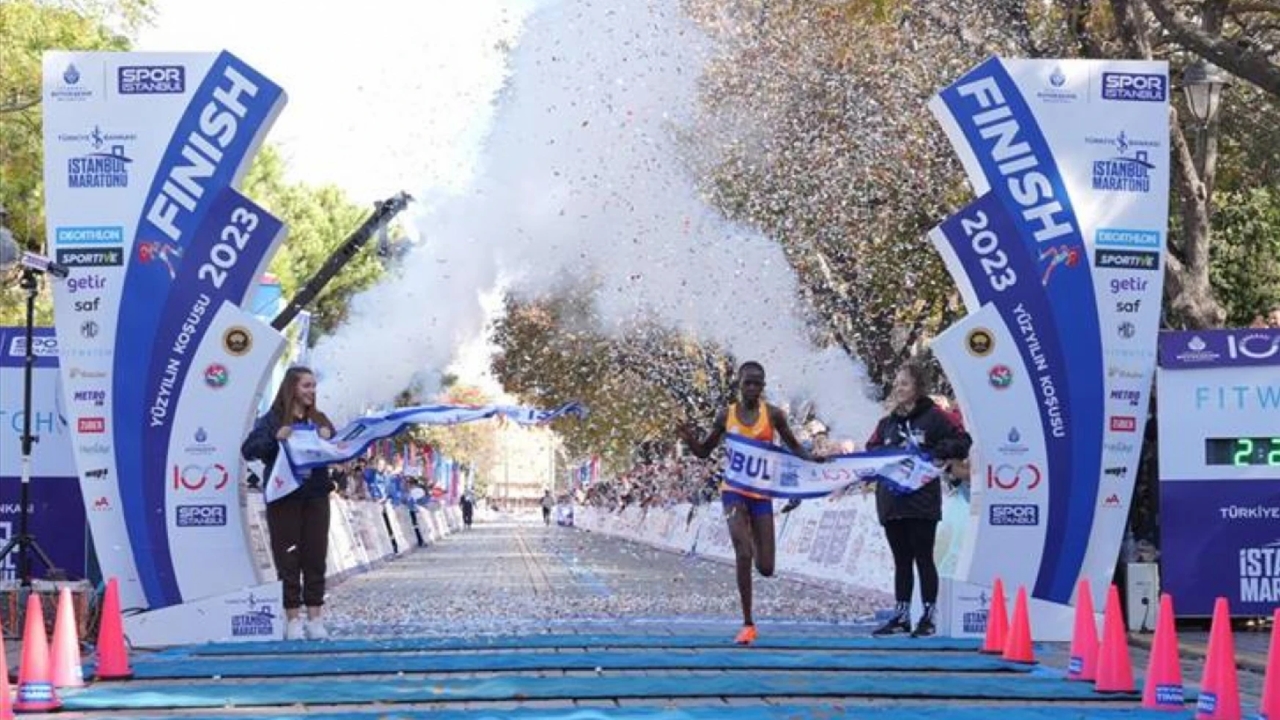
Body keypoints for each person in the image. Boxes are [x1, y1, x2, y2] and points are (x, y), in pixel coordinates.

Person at [677, 361, 821, 645]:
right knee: (742, 553)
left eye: (758, 383)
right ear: (739, 384)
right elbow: (705, 452)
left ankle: (753, 537)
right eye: (748, 383)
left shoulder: (774, 415)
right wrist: (689, 438)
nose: (753, 388)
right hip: (733, 491)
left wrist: (815, 461)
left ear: (763, 386)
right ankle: (748, 623)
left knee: (766, 568)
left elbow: (793, 447)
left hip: (761, 495)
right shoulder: (725, 415)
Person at [866, 362, 972, 638]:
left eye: (905, 384)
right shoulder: (887, 423)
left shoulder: (935, 417)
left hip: (922, 501)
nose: (899, 389)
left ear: (918, 388)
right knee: (901, 560)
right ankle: (901, 614)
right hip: (892, 501)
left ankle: (928, 615)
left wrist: (932, 452)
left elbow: (962, 440)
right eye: (897, 383)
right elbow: (871, 450)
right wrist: (892, 452)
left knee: (923, 557)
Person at [241, 366, 341, 641]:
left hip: (316, 496)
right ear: (292, 388)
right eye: (306, 386)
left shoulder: (319, 419)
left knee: (315, 556)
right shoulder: (273, 419)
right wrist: (275, 439)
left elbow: (338, 448)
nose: (312, 391)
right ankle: (293, 618)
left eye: (313, 386)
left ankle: (316, 617)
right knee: (288, 557)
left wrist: (329, 439)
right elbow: (249, 449)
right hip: (284, 496)